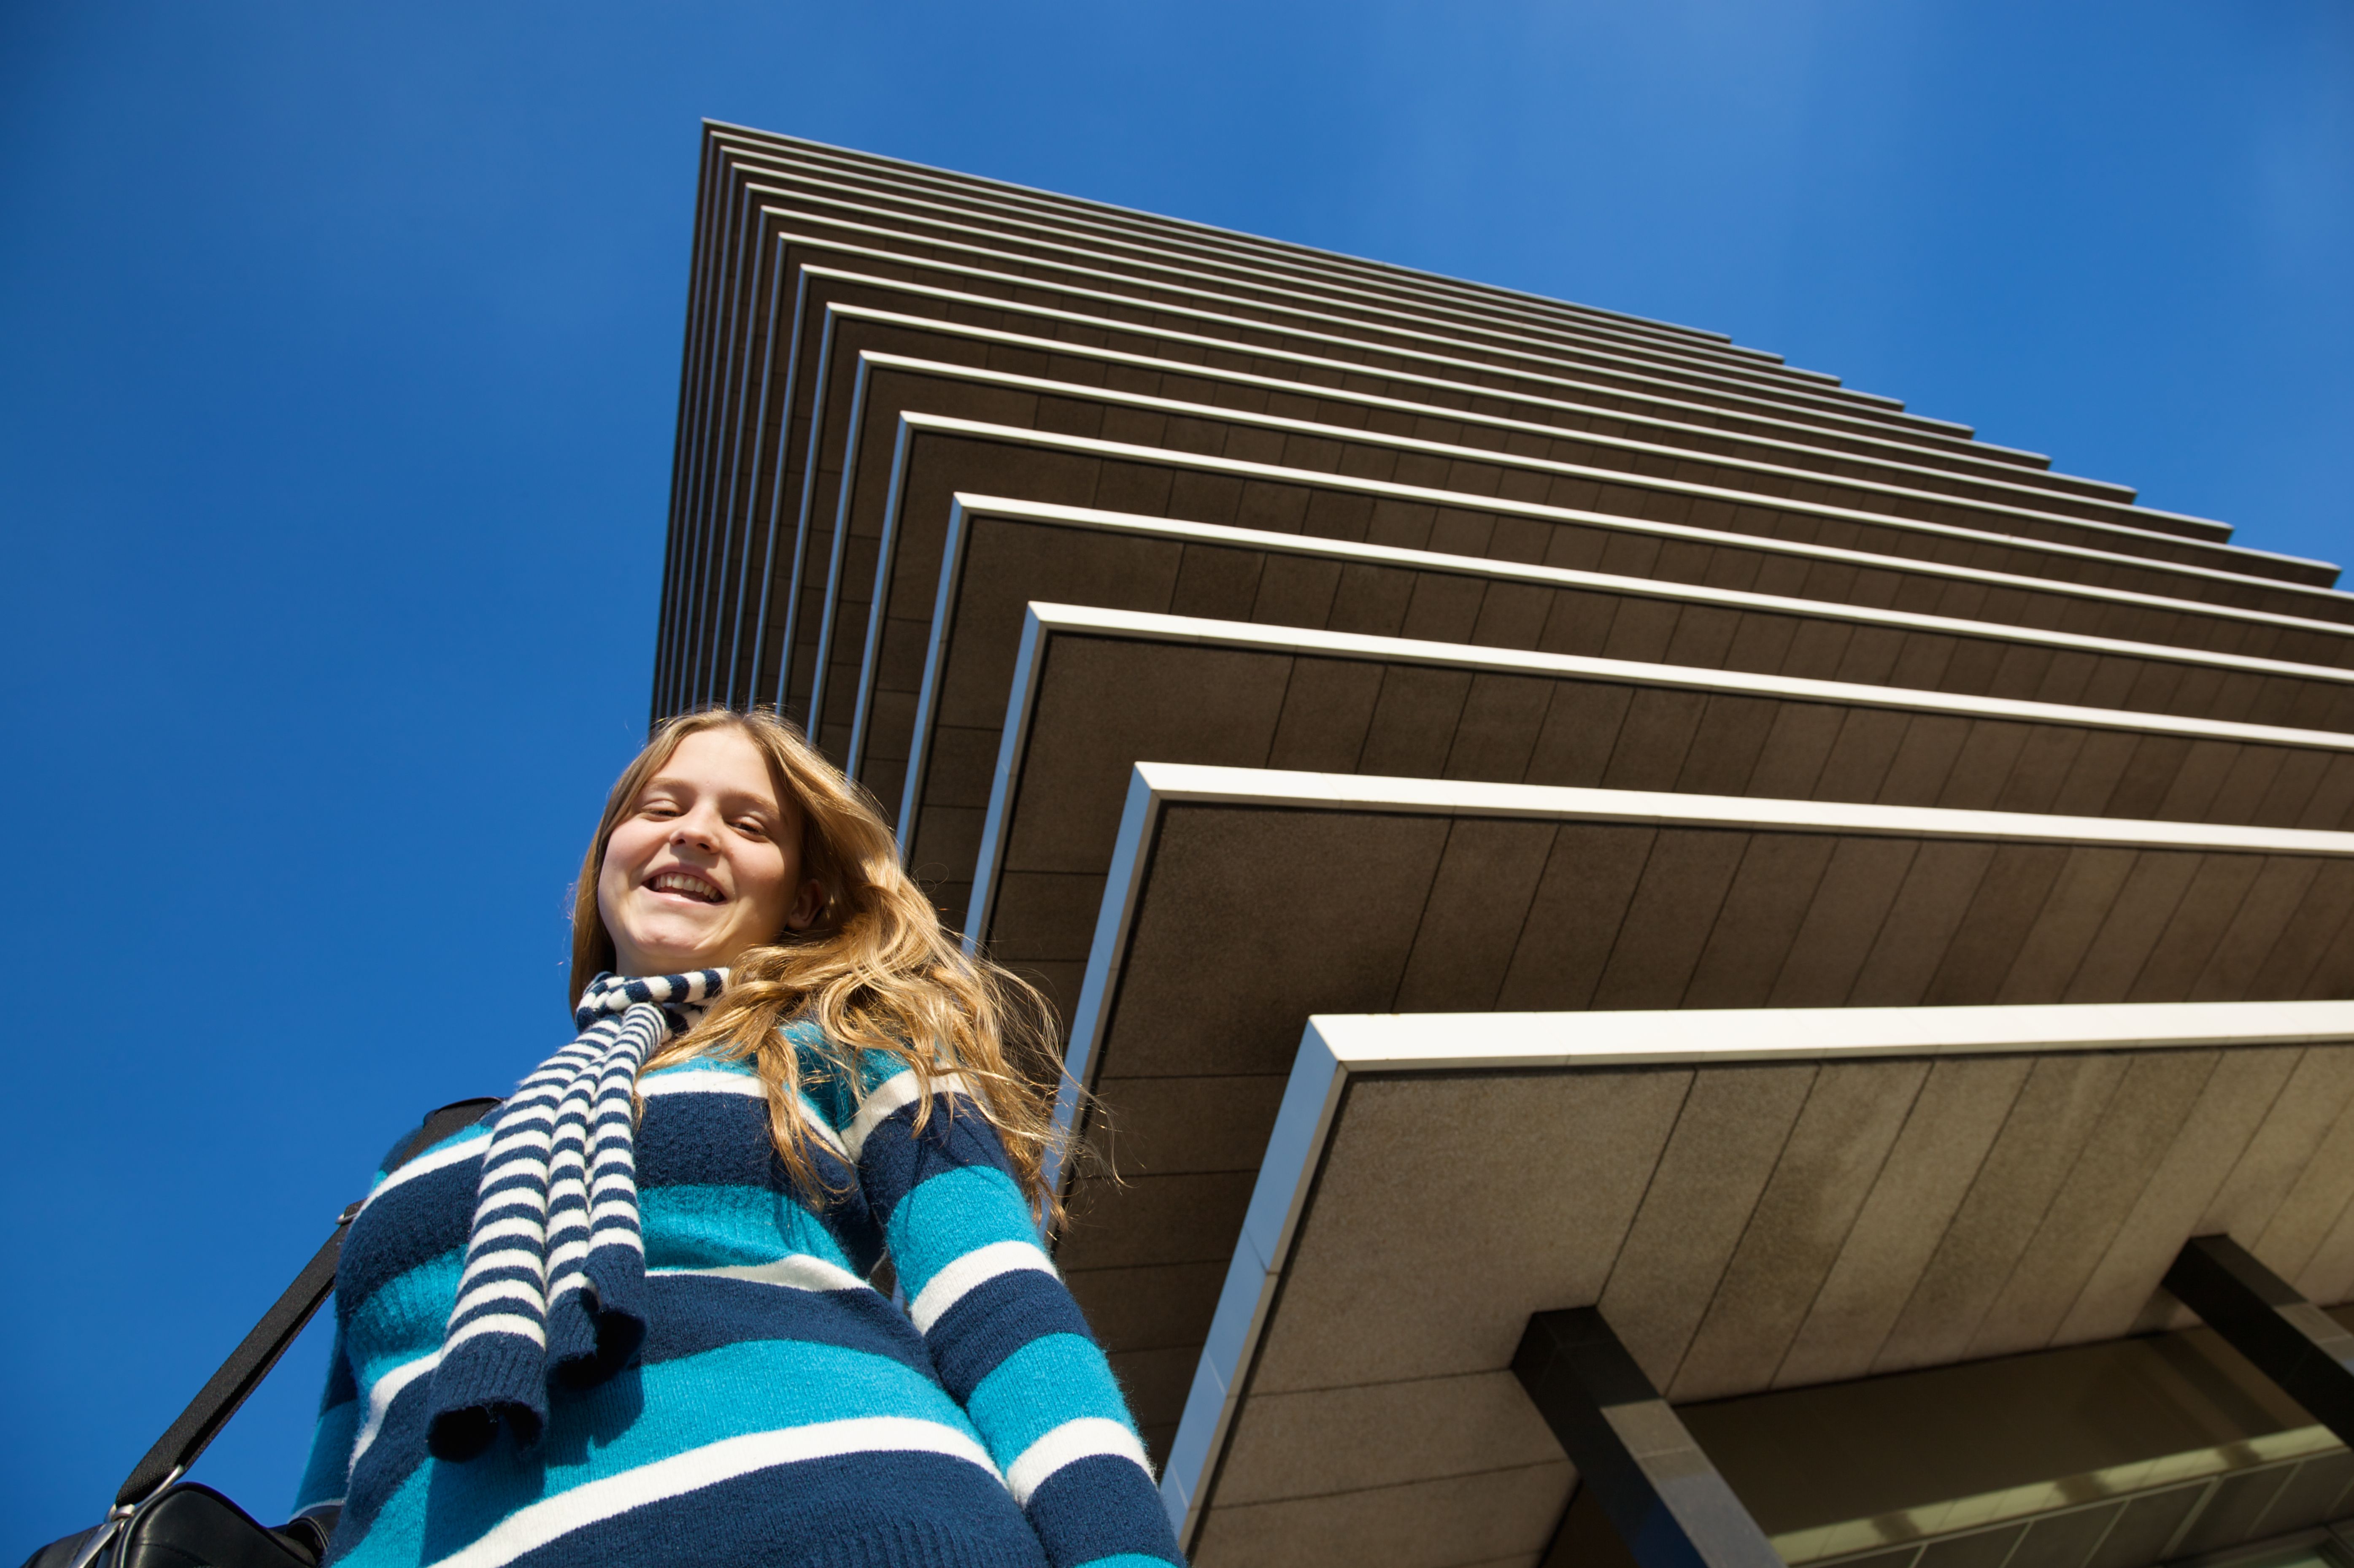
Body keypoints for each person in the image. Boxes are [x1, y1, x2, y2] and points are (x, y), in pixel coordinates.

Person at [290, 708, 1185, 1568]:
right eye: (661, 808)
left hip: (855, 1529)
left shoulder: (849, 1043)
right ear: (608, 860)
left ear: (804, 900)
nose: (696, 833)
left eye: (748, 822)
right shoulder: (423, 1153)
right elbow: (339, 1479)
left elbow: (1003, 1310)